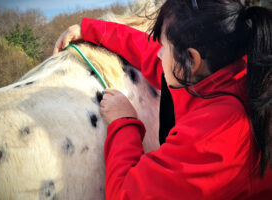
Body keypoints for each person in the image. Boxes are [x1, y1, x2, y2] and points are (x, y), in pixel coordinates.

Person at [53, 0, 272, 199]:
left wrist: (124, 122)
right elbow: (148, 53)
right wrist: (90, 29)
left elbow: (125, 194)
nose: (158, 54)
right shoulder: (230, 71)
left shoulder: (216, 135)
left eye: (164, 47)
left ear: (191, 59)